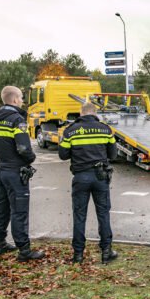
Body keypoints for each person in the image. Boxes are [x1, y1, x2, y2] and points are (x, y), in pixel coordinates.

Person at [0, 86, 44, 261]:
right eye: (21, 98)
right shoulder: (17, 120)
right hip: (16, 172)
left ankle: (0, 243)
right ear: (15, 99)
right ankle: (24, 250)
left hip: (1, 170)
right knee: (19, 211)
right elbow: (24, 148)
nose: (22, 101)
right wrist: (31, 158)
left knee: (1, 208)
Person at [58, 102, 118, 264]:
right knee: (103, 214)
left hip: (80, 177)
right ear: (95, 113)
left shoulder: (70, 130)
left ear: (81, 113)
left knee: (79, 216)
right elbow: (113, 154)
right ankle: (106, 252)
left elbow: (63, 155)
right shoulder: (106, 129)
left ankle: (78, 254)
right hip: (100, 177)